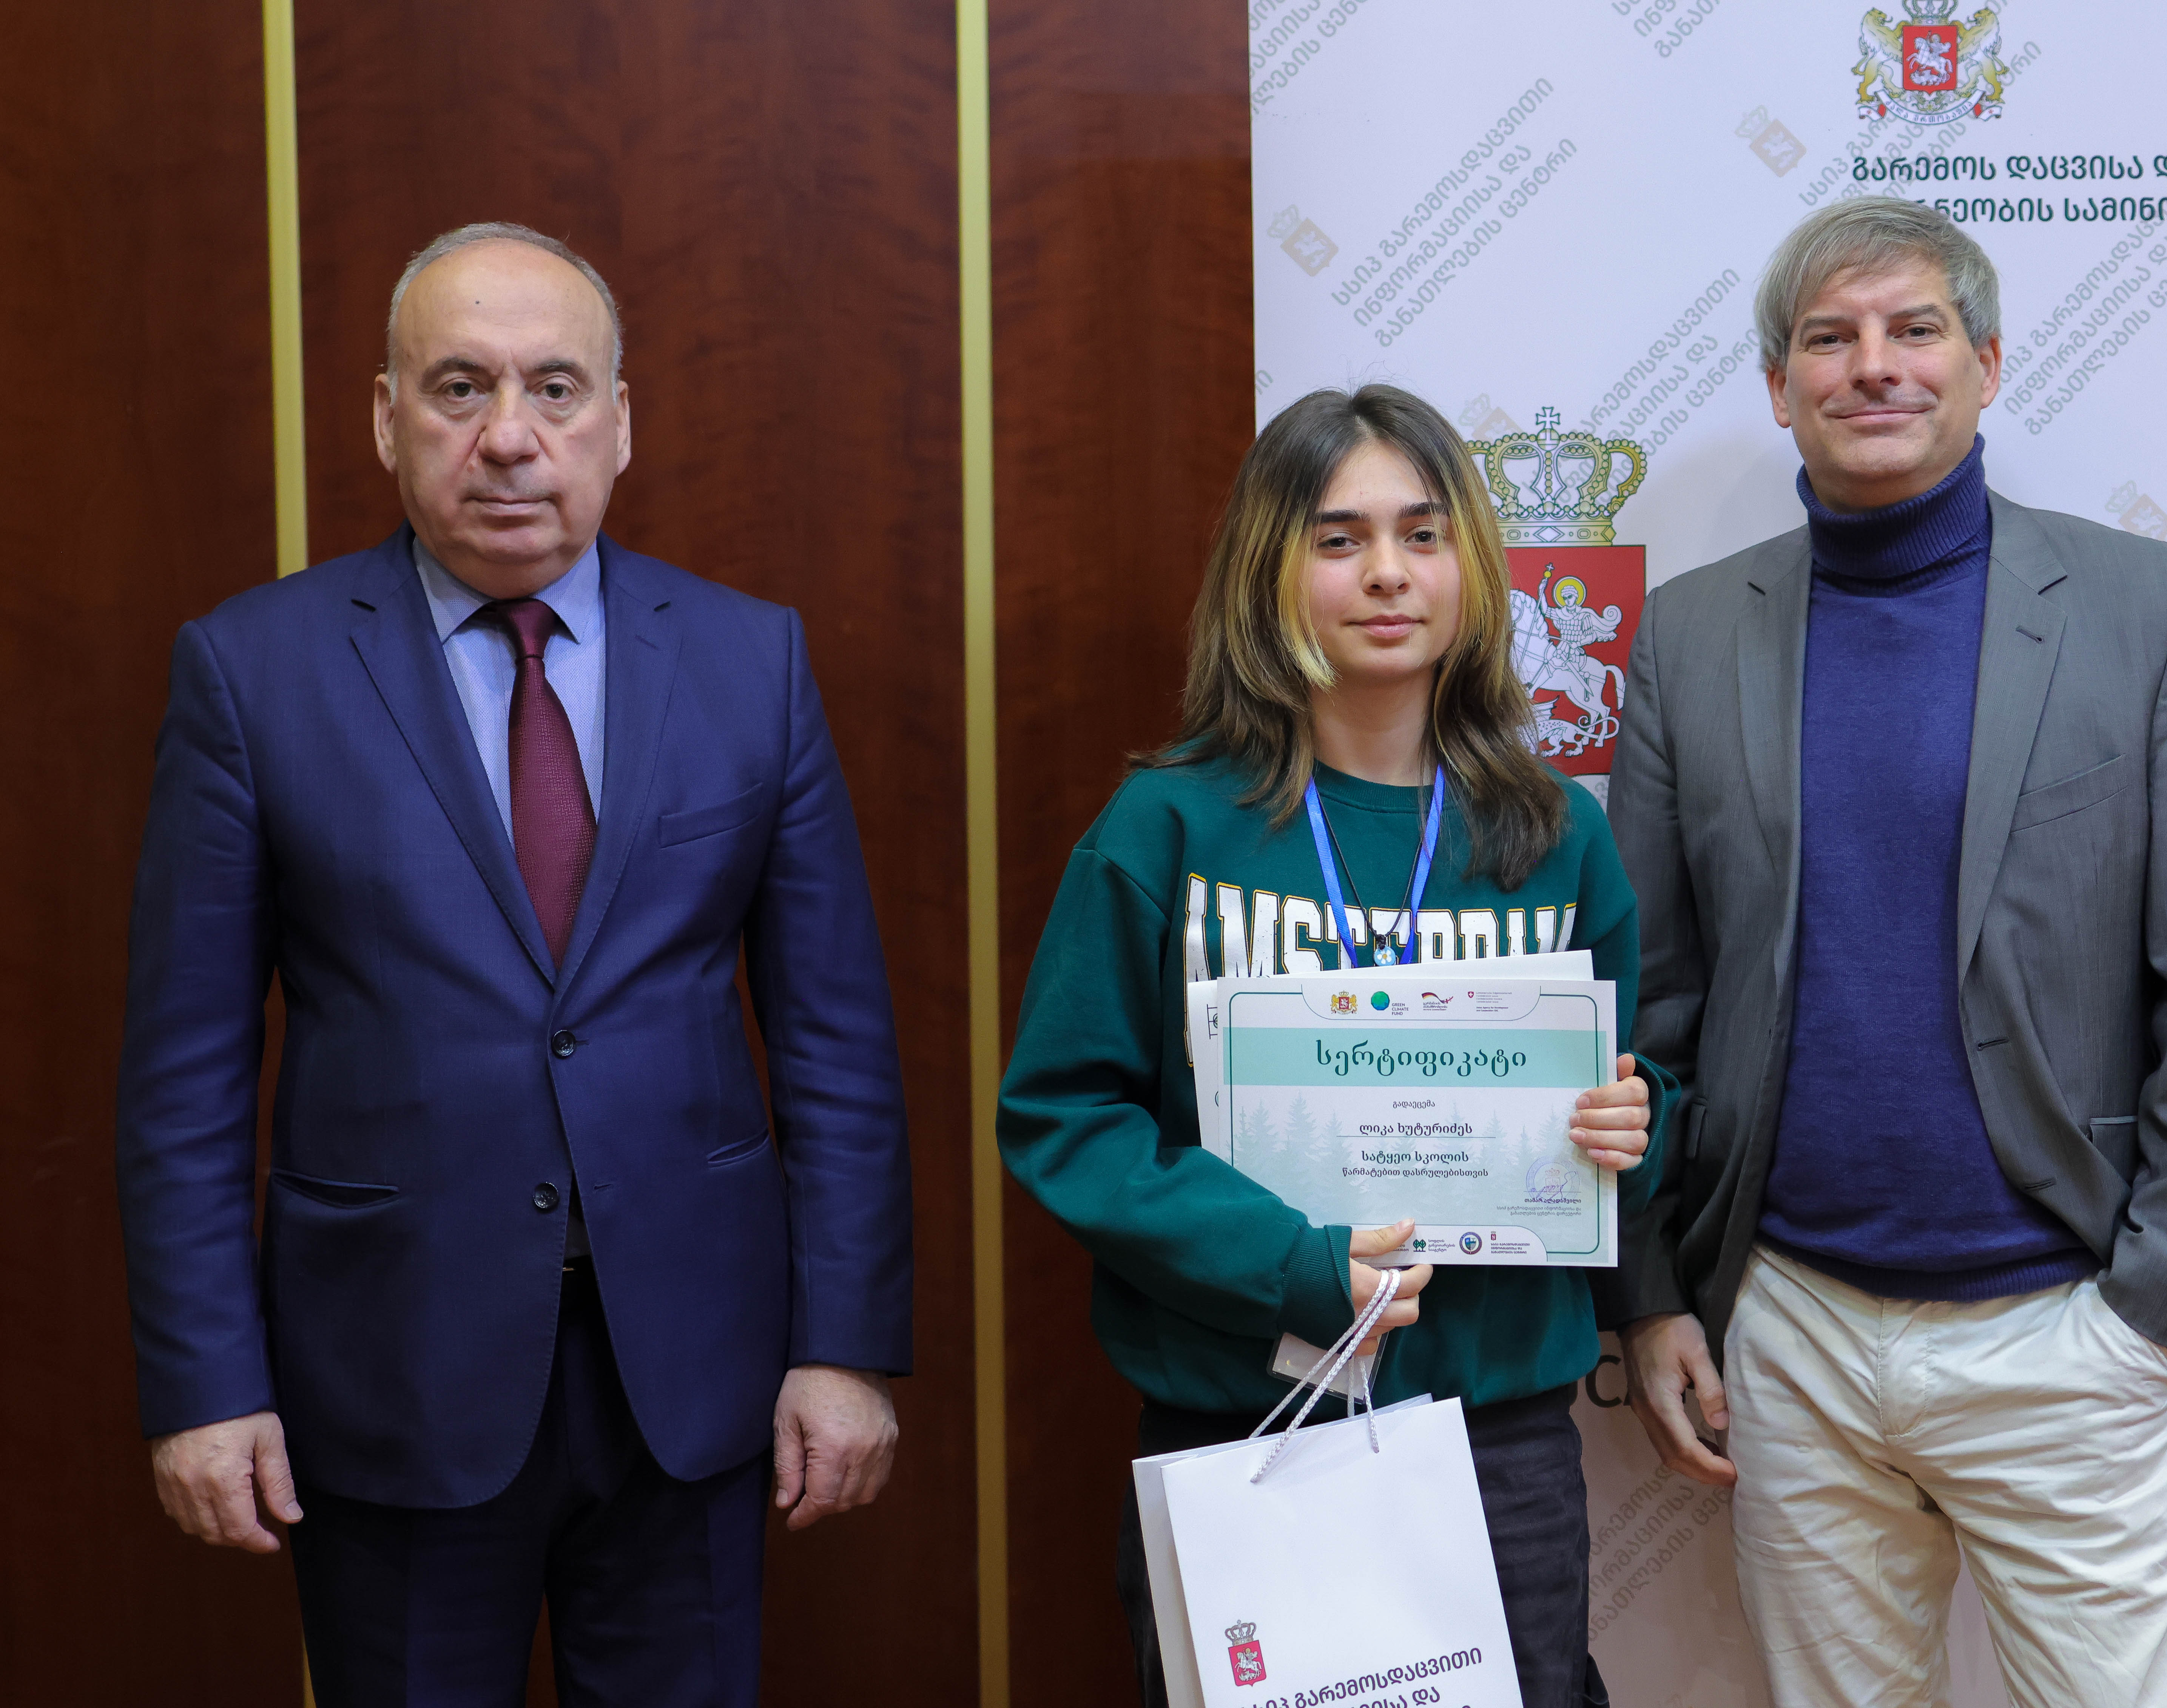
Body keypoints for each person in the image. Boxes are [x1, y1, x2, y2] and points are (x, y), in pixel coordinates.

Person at [115, 222, 912, 1706]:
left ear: (620, 420)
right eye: (459, 387)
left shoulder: (751, 661)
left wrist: (846, 1349)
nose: (508, 437)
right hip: (390, 1374)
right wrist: (207, 1384)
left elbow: (836, 1046)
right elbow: (185, 1076)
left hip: (695, 1375)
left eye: (555, 387)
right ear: (386, 418)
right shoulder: (254, 672)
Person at [1600, 196, 2167, 1708]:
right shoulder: (1689, 638)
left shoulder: (2153, 613)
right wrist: (1650, 1294)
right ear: (1778, 385)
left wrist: (2151, 1320)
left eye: (1914, 328)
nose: (1873, 365)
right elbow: (1648, 1004)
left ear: (1987, 363)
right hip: (1790, 1332)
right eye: (1828, 338)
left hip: (2066, 1330)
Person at [997, 384, 1668, 1708]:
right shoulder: (1168, 826)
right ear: (1270, 569)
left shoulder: (1553, 834)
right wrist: (1292, 1267)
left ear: (1470, 566)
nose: (1388, 573)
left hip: (1497, 1442)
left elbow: (1635, 1091)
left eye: (1422, 534)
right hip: (1244, 1430)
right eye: (1338, 538)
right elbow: (1067, 1117)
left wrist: (1632, 1125)